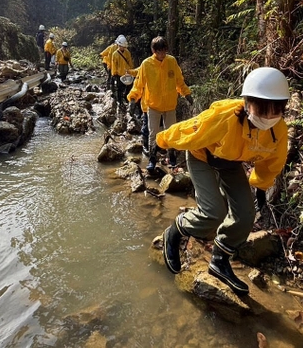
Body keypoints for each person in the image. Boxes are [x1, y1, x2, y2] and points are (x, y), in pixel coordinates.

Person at [156, 67, 290, 297]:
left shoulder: (278, 130)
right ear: (247, 103)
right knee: (214, 213)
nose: (268, 117)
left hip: (231, 163)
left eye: (275, 110)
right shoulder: (224, 117)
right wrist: (161, 141)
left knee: (246, 216)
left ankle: (219, 259)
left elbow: (273, 161)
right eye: (262, 109)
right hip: (202, 157)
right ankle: (175, 231)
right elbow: (189, 130)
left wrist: (260, 185)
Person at [127, 36, 191, 171]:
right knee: (153, 133)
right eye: (159, 52)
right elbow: (138, 84)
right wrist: (133, 99)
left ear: (166, 50)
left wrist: (187, 94)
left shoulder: (171, 61)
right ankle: (152, 159)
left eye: (164, 51)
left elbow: (179, 81)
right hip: (153, 106)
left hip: (170, 105)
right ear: (153, 51)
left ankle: (172, 158)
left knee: (171, 131)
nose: (161, 54)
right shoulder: (146, 64)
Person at [110, 35, 134, 108]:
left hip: (127, 73)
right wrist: (114, 74)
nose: (122, 47)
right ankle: (120, 101)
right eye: (121, 46)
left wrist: (132, 71)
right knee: (119, 88)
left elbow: (130, 62)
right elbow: (114, 65)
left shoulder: (127, 52)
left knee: (129, 86)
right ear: (118, 45)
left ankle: (126, 98)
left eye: (123, 46)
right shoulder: (115, 54)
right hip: (119, 74)